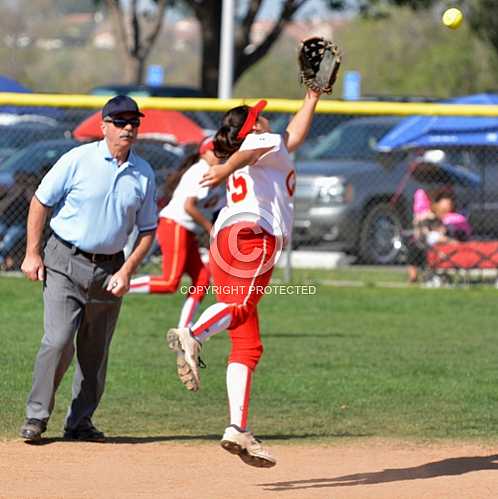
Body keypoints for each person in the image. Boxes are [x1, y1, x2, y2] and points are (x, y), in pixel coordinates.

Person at [166, 89, 323, 468]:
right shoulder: (259, 141)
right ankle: (193, 333)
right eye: (259, 116)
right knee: (239, 307)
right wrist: (225, 168)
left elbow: (295, 136)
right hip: (253, 237)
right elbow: (249, 151)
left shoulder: (272, 145)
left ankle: (237, 427)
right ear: (255, 126)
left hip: (227, 241)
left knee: (248, 345)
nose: (266, 120)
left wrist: (312, 95)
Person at [19, 95, 157, 442]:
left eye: (133, 122)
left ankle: (79, 422)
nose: (128, 128)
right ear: (104, 125)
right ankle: (36, 417)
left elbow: (147, 229)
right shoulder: (78, 159)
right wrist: (32, 253)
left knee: (95, 352)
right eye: (120, 121)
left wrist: (127, 270)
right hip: (65, 259)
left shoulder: (143, 172)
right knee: (58, 341)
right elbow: (40, 201)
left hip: (110, 270)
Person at [129, 137, 225, 334]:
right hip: (174, 224)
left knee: (202, 279)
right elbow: (188, 207)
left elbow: (218, 208)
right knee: (169, 282)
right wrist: (210, 228)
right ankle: (118, 285)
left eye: (222, 151)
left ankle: (184, 328)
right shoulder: (201, 170)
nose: (219, 154)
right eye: (215, 150)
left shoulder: (218, 174)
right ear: (204, 152)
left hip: (185, 229)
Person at [0, 172, 39, 269]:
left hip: (21, 223)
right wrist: (16, 189)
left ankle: (1, 261)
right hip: (6, 220)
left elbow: (34, 204)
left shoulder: (32, 192)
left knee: (8, 240)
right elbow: (3, 206)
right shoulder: (11, 190)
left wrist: (27, 188)